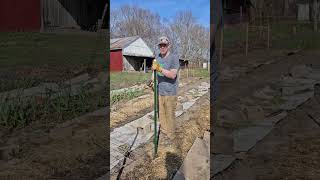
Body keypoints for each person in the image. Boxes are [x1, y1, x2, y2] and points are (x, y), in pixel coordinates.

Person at [151, 36, 180, 148]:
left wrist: (160, 69)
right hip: (160, 91)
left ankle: (171, 137)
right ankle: (164, 134)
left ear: (169, 46)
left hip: (170, 92)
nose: (162, 47)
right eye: (160, 45)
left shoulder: (174, 58)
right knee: (161, 115)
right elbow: (154, 70)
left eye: (164, 45)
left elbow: (173, 75)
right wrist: (152, 80)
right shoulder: (157, 57)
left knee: (170, 115)